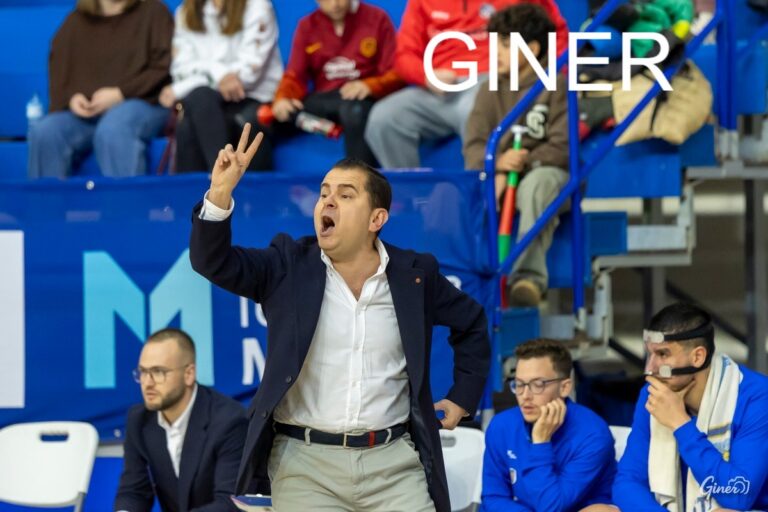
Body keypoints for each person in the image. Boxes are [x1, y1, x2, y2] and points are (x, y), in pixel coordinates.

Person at [188, 124, 491, 511]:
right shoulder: (287, 264)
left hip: (394, 463)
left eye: (345, 195)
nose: (327, 202)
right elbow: (212, 262)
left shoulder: (415, 275)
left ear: (376, 219)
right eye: (324, 193)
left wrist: (463, 397)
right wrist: (219, 193)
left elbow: (472, 322)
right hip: (305, 464)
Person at [584, 302, 768, 512]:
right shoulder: (653, 393)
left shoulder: (758, 397)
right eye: (650, 354)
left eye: (663, 354)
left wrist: (680, 424)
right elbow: (627, 483)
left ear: (697, 357)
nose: (649, 368)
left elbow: (738, 496)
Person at [364, 0, 568, 169]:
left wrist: (539, 75)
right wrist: (426, 76)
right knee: (383, 118)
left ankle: (483, 193)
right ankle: (414, 198)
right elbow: (403, 55)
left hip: (491, 78)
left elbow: (555, 34)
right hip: (437, 87)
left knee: (478, 107)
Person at [463, 3, 569, 308]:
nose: (496, 52)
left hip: (547, 173)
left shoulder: (557, 85)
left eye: (506, 45)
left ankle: (527, 279)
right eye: (495, 43)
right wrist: (496, 164)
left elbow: (562, 147)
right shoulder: (489, 89)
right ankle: (463, 275)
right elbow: (473, 146)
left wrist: (521, 163)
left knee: (536, 184)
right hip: (500, 172)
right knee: (448, 195)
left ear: (533, 49)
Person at [28, 0, 173, 179]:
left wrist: (120, 94)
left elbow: (163, 68)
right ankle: (47, 198)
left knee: (114, 128)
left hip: (144, 104)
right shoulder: (74, 21)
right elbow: (59, 73)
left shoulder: (154, 12)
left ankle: (126, 197)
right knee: (45, 132)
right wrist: (72, 99)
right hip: (87, 116)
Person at [255, 0, 404, 167]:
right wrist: (283, 98)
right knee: (264, 117)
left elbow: (397, 73)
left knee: (355, 112)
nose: (335, 4)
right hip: (325, 100)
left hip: (361, 101)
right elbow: (295, 75)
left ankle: (360, 179)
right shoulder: (307, 25)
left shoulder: (377, 18)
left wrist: (370, 86)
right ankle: (255, 184)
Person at [114, 328, 247, 512]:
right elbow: (134, 492)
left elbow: (230, 503)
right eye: (143, 372)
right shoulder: (139, 420)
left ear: (189, 374)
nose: (147, 383)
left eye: (158, 372)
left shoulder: (229, 421)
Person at [482, 338, 616, 511]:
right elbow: (493, 497)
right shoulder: (502, 426)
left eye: (538, 385)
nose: (525, 396)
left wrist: (540, 442)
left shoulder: (593, 435)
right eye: (519, 384)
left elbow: (551, 507)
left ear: (565, 387)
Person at [163, 0, 283, 172]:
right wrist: (219, 73)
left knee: (198, 105)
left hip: (252, 98)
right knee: (193, 113)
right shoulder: (185, 12)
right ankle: (220, 179)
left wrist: (179, 89)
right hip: (207, 101)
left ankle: (220, 179)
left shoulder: (258, 6)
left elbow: (247, 74)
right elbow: (181, 70)